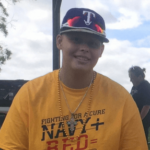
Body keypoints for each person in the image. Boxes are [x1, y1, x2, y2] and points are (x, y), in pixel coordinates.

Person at [0, 8, 148, 150]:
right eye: (76, 39)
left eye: (93, 43)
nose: (84, 48)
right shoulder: (29, 95)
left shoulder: (121, 100)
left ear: (101, 50)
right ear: (59, 42)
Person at [129, 66, 150, 143]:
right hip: (135, 118)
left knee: (142, 140)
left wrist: (139, 120)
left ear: (140, 77)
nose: (130, 80)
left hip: (143, 119)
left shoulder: (146, 86)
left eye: (132, 77)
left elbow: (147, 106)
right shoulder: (134, 87)